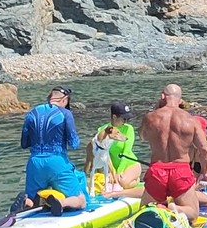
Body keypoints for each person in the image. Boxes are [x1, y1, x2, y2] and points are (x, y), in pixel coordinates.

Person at [140, 84, 207, 220]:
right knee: (193, 213)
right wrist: (203, 172)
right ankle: (176, 208)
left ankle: (158, 208)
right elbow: (204, 149)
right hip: (180, 171)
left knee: (143, 210)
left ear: (162, 96)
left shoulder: (150, 118)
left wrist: (157, 110)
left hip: (157, 170)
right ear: (180, 100)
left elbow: (142, 136)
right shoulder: (190, 120)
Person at [14, 86, 83, 214]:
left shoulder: (32, 113)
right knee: (80, 200)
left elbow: (24, 143)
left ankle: (25, 202)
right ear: (65, 99)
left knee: (34, 199)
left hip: (34, 163)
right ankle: (60, 203)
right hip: (57, 161)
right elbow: (74, 144)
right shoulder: (65, 113)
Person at [87, 101, 139, 193]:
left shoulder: (128, 129)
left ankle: (137, 179)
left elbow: (126, 152)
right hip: (110, 166)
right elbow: (101, 153)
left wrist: (117, 172)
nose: (126, 122)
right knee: (103, 182)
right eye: (124, 119)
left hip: (129, 164)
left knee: (122, 182)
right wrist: (110, 172)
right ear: (114, 117)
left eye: (127, 119)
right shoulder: (102, 130)